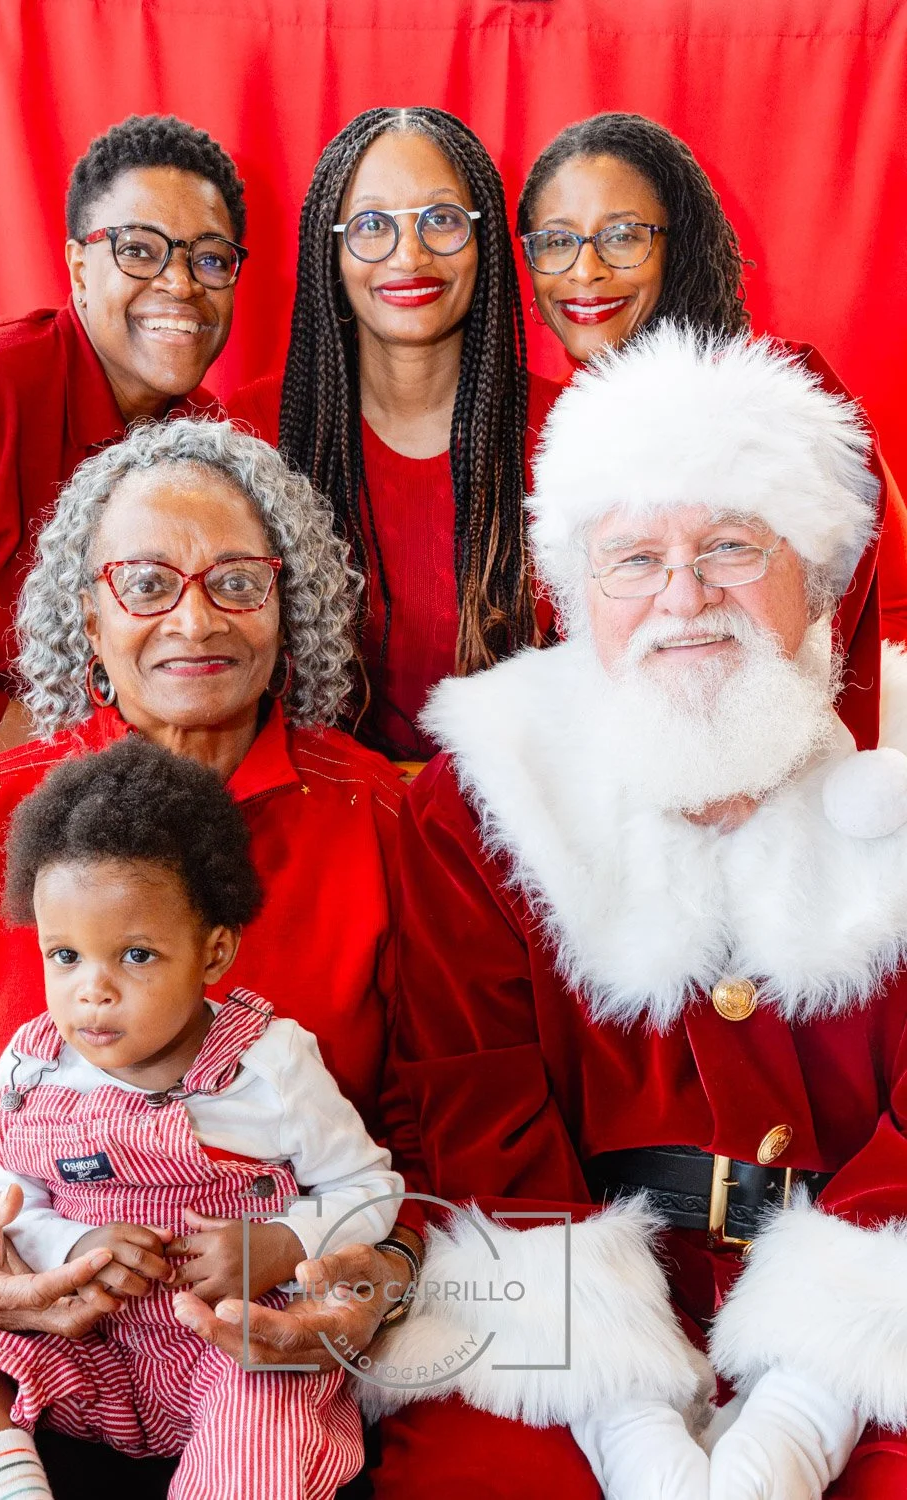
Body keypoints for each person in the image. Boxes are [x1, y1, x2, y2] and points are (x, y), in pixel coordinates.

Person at [361, 325, 907, 1497]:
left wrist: (801, 1416)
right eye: (634, 561)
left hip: (882, 1280)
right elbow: (476, 1114)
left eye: (728, 548)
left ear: (813, 575)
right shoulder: (488, 794)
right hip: (556, 1290)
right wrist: (631, 1428)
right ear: (575, 593)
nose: (683, 599)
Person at [0, 419, 419, 1497]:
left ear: (291, 605)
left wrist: (369, 1265)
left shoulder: (381, 822)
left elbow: (438, 1130)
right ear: (84, 613)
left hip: (260, 1334)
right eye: (144, 582)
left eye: (236, 580)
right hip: (37, 1322)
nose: (194, 618)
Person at [0, 737, 402, 1500]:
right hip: (86, 1339)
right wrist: (75, 1244)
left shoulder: (268, 1065)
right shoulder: (29, 1066)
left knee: (267, 1407)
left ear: (213, 951)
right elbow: (8, 1204)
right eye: (64, 956)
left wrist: (282, 1245)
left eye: (135, 956)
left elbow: (371, 1190)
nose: (92, 992)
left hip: (228, 1339)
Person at [0, 113, 246, 811]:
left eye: (210, 258)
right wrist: (11, 729)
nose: (181, 284)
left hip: (112, 800)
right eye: (140, 250)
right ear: (77, 267)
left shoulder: (208, 443)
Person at [229, 106, 560, 760]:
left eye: (440, 220)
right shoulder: (251, 435)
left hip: (521, 831)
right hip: (315, 824)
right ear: (332, 250)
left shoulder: (572, 433)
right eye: (373, 225)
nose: (409, 255)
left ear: (484, 241)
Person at [515, 111, 907, 644]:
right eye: (557, 241)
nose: (586, 271)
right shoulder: (531, 424)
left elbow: (892, 610)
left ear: (680, 247)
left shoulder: (781, 402)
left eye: (624, 235)